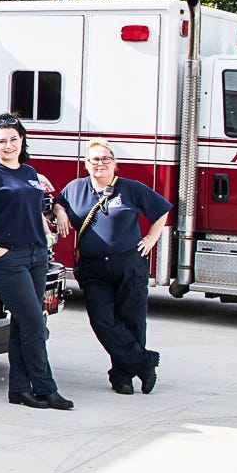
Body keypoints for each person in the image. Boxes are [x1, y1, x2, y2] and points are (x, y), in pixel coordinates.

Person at [0, 113, 71, 410]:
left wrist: (56, 214)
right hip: (5, 260)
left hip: (35, 255)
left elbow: (37, 209)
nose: (8, 145)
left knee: (25, 324)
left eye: (13, 139)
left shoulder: (30, 173)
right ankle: (46, 388)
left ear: (22, 141)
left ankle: (19, 389)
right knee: (35, 324)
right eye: (1, 141)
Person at [57, 138, 171, 394]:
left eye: (106, 159)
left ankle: (122, 377)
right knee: (102, 320)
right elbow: (57, 203)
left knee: (132, 321)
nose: (100, 164)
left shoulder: (131, 188)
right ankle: (144, 362)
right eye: (94, 160)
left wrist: (151, 238)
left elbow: (162, 210)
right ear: (86, 164)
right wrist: (60, 210)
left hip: (129, 265)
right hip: (93, 269)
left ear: (115, 164)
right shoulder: (75, 188)